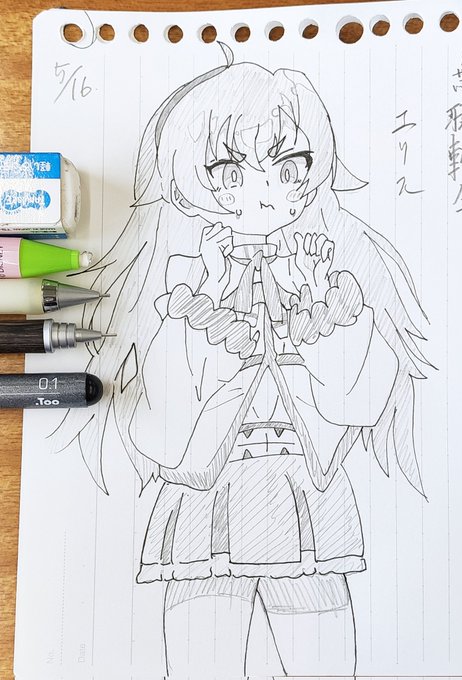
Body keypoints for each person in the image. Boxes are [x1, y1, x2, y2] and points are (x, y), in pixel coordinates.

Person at [58, 46, 430, 679]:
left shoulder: (328, 270)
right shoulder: (180, 279)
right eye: (230, 171)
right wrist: (203, 314)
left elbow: (362, 401)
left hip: (305, 493)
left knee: (325, 667)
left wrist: (320, 312)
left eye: (290, 167)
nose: (266, 190)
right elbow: (156, 423)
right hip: (206, 498)